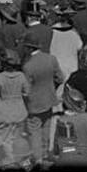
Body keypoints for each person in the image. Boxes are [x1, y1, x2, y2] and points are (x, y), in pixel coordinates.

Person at [22, 28, 65, 164]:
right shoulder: (51, 59)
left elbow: (26, 90)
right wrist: (52, 88)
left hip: (34, 104)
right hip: (49, 100)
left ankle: (38, 158)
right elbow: (60, 78)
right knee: (46, 128)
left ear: (29, 48)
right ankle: (46, 153)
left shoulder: (28, 66)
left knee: (34, 132)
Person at [0, 48, 31, 148]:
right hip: (20, 112)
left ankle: (7, 159)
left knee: (3, 141)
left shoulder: (0, 77)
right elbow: (27, 92)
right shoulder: (21, 76)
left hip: (4, 113)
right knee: (17, 140)